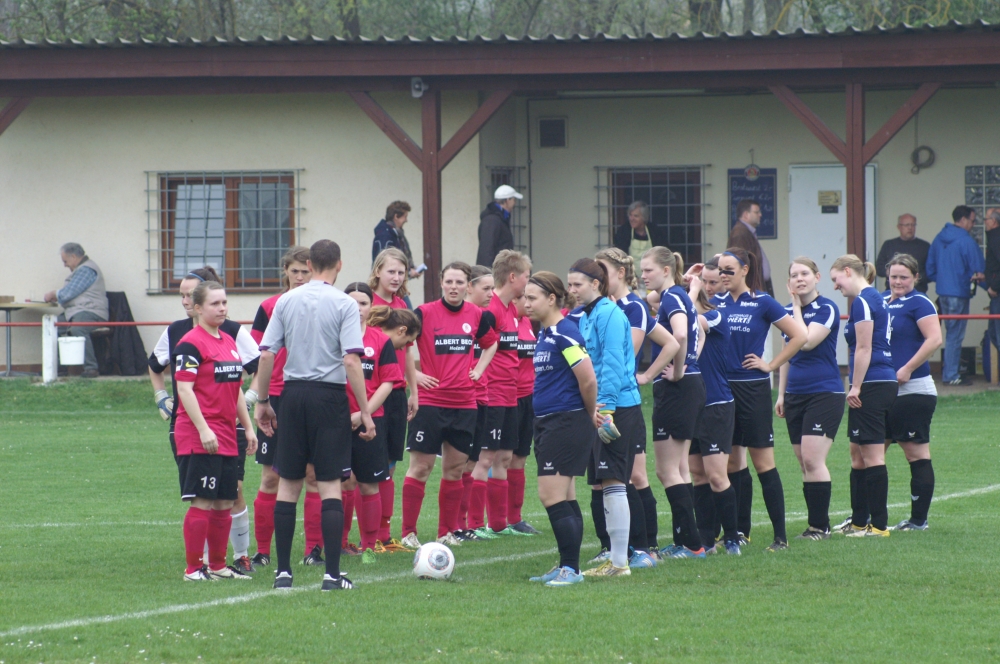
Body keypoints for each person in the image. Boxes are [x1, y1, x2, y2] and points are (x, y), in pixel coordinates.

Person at [255, 239, 375, 591]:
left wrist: (262, 401)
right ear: (339, 265)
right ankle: (331, 575)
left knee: (288, 484)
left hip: (291, 396)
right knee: (329, 484)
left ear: (309, 263)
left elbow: (266, 355)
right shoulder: (343, 303)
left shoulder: (285, 300)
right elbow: (352, 360)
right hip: (329, 397)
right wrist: (365, 411)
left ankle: (282, 573)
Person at [148, 265, 261, 575]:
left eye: (224, 302)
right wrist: (203, 428)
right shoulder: (190, 343)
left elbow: (235, 387)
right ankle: (193, 568)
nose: (222, 308)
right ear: (197, 309)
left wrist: (248, 428)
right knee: (202, 501)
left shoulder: (228, 340)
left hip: (227, 432)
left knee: (225, 501)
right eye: (215, 303)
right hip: (200, 434)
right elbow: (184, 389)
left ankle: (219, 565)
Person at [400, 262, 498, 549]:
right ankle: (408, 533)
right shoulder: (424, 313)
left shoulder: (477, 315)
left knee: (455, 471)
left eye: (459, 282)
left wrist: (479, 370)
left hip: (464, 404)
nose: (454, 287)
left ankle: (445, 532)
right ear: (441, 283)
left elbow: (491, 343)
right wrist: (414, 376)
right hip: (430, 403)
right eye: (449, 281)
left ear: (468, 286)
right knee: (421, 468)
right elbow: (401, 344)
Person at [717, 247, 807, 551]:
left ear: (745, 270)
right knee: (731, 462)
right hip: (722, 390)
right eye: (720, 270)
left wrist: (770, 365)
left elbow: (799, 336)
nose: (723, 275)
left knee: (763, 463)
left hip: (752, 390)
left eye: (730, 270)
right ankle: (740, 531)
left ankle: (780, 537)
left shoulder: (762, 302)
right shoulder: (714, 303)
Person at [597, 247, 679, 567]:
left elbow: (628, 353)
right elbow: (670, 342)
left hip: (622, 401)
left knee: (634, 477)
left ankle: (646, 546)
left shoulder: (632, 307)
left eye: (601, 270)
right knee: (613, 478)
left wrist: (645, 374)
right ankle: (618, 546)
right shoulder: (607, 307)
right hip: (608, 399)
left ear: (619, 272)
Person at [246, 248, 326, 569]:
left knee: (314, 476)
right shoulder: (270, 307)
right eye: (294, 271)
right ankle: (263, 551)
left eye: (304, 271)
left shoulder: (326, 303)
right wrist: (258, 396)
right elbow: (255, 354)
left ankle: (313, 551)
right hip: (277, 396)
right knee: (271, 478)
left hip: (313, 394)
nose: (300, 277)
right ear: (286, 272)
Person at [568, 257, 645, 578]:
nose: (571, 290)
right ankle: (616, 559)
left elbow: (613, 363)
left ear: (596, 284)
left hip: (617, 409)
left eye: (577, 284)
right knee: (607, 482)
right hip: (600, 408)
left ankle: (619, 563)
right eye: (569, 284)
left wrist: (607, 409)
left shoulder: (610, 314)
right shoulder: (589, 315)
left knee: (614, 481)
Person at [524, 272, 600, 587]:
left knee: (550, 494)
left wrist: (588, 413)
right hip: (548, 421)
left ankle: (571, 569)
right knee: (565, 495)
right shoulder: (546, 334)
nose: (525, 304)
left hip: (564, 422)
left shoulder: (565, 334)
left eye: (532, 298)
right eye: (524, 298)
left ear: (552, 299)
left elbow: (588, 378)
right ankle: (567, 565)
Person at [637, 246, 706, 559]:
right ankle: (687, 540)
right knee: (680, 468)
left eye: (648, 269)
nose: (643, 275)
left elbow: (679, 335)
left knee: (667, 471)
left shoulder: (671, 297)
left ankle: (692, 544)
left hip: (678, 387)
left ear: (665, 270)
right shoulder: (676, 295)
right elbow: (693, 333)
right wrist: (690, 283)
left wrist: (670, 371)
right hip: (690, 386)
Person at [674, 258, 742, 555]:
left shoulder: (715, 315)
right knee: (697, 474)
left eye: (715, 282)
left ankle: (732, 537)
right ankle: (705, 539)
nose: (711, 287)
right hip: (692, 405)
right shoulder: (682, 308)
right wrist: (684, 281)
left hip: (716, 404)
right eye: (707, 282)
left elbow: (692, 322)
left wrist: (691, 289)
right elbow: (656, 299)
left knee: (717, 475)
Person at [775, 257, 845, 541]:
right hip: (795, 395)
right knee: (804, 463)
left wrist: (794, 309)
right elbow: (786, 355)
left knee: (813, 460)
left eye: (805, 273)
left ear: (817, 278)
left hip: (824, 393)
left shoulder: (827, 307)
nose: (799, 279)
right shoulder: (784, 312)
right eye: (794, 275)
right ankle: (815, 523)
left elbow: (806, 340)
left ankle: (820, 526)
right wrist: (781, 393)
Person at [341, 284, 409, 564]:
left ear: (372, 307)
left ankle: (369, 547)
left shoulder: (380, 340)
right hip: (337, 422)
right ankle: (341, 542)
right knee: (344, 484)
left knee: (369, 485)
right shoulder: (332, 337)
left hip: (370, 421)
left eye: (364, 303)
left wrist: (363, 413)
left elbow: (389, 382)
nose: (358, 308)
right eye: (352, 302)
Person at [830, 254, 897, 538]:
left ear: (848, 271)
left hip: (873, 382)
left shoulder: (864, 300)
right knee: (858, 454)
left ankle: (879, 526)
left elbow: (865, 348)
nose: (835, 286)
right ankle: (859, 521)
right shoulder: (873, 298)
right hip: (876, 381)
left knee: (871, 454)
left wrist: (856, 386)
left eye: (836, 279)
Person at [470, 250, 533, 537]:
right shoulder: (491, 309)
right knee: (485, 458)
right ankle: (474, 524)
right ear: (512, 277)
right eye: (526, 277)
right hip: (492, 394)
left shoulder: (510, 309)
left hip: (511, 395)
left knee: (505, 457)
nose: (527, 283)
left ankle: (498, 524)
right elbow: (478, 351)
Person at [882, 254, 941, 531]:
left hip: (913, 390)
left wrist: (906, 368)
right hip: (880, 391)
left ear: (915, 277)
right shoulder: (881, 301)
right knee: (867, 452)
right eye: (894, 276)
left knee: (915, 454)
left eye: (903, 277)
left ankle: (918, 520)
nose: (897, 282)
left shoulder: (919, 302)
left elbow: (935, 338)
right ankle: (867, 519)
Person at [367, 248, 420, 550]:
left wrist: (414, 390)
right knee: (367, 468)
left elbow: (408, 351)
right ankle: (365, 537)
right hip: (373, 393)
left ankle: (384, 535)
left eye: (401, 272)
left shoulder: (402, 304)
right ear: (377, 272)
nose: (397, 277)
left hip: (397, 393)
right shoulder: (366, 304)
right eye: (391, 271)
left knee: (390, 463)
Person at [926, 205, 986, 385]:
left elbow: (930, 270)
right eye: (973, 221)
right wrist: (989, 288)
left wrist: (944, 282)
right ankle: (951, 376)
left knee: (951, 334)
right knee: (955, 336)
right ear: (963, 220)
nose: (974, 224)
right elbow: (979, 270)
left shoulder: (938, 238)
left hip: (943, 294)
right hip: (959, 294)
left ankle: (950, 374)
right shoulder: (966, 241)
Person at [459, 265, 496, 540]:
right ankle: (453, 524)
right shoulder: (454, 316)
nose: (490, 294)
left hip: (481, 397)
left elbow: (490, 346)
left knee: (471, 463)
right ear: (469, 287)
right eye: (486, 288)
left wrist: (480, 372)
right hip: (456, 399)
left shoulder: (484, 318)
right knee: (455, 464)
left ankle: (464, 525)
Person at [43, 242, 108, 377]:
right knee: (51, 327)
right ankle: (57, 368)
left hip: (92, 311)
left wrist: (54, 294)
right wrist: (59, 295)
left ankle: (91, 369)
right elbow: (69, 293)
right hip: (78, 311)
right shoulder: (82, 269)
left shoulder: (86, 269)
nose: (65, 265)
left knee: (78, 328)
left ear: (73, 256)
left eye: (65, 261)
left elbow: (69, 293)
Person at [509, 292, 541, 535]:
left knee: (520, 457)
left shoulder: (528, 323)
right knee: (498, 459)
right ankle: (491, 520)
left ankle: (515, 517)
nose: (528, 304)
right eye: (524, 298)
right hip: (507, 397)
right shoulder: (504, 320)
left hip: (528, 397)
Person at [371, 201, 422, 307]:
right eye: (405, 216)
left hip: (395, 288)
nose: (406, 220)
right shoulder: (386, 235)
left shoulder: (393, 233)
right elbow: (383, 261)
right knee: (408, 314)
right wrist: (409, 272)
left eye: (400, 273)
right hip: (388, 288)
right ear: (396, 217)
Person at [727, 200, 773, 296]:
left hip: (757, 287)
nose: (760, 215)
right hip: (751, 290)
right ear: (746, 215)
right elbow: (739, 263)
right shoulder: (740, 234)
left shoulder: (746, 232)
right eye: (756, 212)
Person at [875, 214, 931, 293]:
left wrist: (915, 278)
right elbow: (879, 268)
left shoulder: (925, 246)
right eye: (907, 225)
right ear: (899, 227)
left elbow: (931, 271)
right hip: (893, 293)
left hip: (917, 292)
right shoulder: (889, 245)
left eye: (913, 225)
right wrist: (892, 273)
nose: (910, 228)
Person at [476, 185, 522, 267]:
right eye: (514, 200)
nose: (515, 203)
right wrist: (487, 274)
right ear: (508, 200)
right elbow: (486, 249)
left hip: (500, 271)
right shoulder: (492, 220)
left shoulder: (499, 218)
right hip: (495, 273)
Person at [613, 201, 664, 274]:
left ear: (644, 218)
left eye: (636, 216)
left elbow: (662, 254)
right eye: (630, 215)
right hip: (631, 276)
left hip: (652, 275)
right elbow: (619, 257)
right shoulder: (623, 232)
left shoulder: (654, 231)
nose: (632, 218)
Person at [983, 209, 1000, 357]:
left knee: (997, 335)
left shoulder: (996, 238)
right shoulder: (993, 238)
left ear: (993, 222)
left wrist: (994, 286)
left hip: (998, 294)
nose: (984, 223)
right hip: (996, 294)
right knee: (994, 334)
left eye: (985, 219)